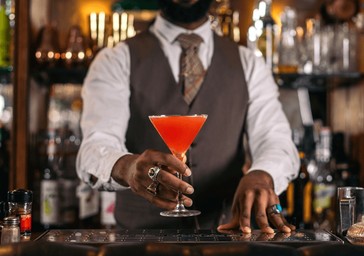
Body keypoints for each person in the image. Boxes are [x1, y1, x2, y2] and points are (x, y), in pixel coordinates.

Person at [76, 0, 300, 233]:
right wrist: (128, 168)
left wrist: (262, 174)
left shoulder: (249, 63)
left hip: (227, 241)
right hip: (140, 246)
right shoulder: (115, 60)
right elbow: (95, 146)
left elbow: (275, 140)